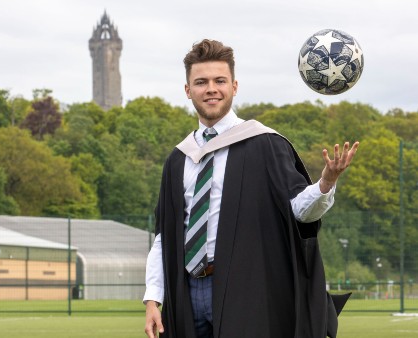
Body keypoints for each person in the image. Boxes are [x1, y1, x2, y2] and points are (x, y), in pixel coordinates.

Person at [144, 39, 359, 338]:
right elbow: (163, 236)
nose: (211, 89)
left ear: (234, 86)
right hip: (187, 292)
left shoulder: (265, 144)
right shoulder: (178, 159)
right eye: (201, 82)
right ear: (188, 90)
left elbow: (298, 212)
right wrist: (153, 299)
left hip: (245, 290)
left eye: (220, 81)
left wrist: (326, 183)